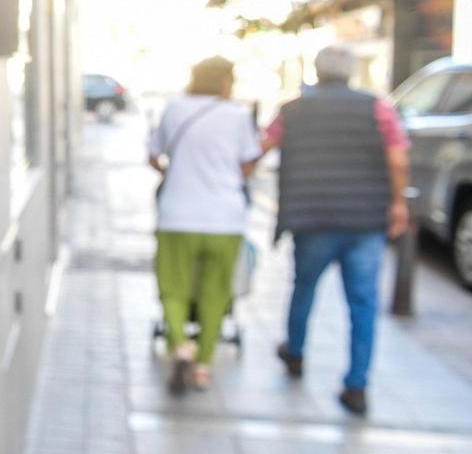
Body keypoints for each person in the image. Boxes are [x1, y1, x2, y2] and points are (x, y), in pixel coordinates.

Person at [262, 44, 410, 416]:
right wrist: (398, 202)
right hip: (364, 220)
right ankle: (356, 385)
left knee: (304, 287)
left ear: (318, 70)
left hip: (313, 217)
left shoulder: (293, 110)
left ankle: (295, 352)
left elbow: (262, 145)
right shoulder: (376, 108)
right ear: (351, 71)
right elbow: (397, 156)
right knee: (363, 303)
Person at [148, 56, 262, 394]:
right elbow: (248, 164)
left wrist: (176, 174)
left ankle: (181, 343)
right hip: (225, 219)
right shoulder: (239, 116)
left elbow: (153, 156)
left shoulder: (175, 109)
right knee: (216, 291)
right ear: (226, 81)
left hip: (177, 215)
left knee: (174, 286)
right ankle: (202, 366)